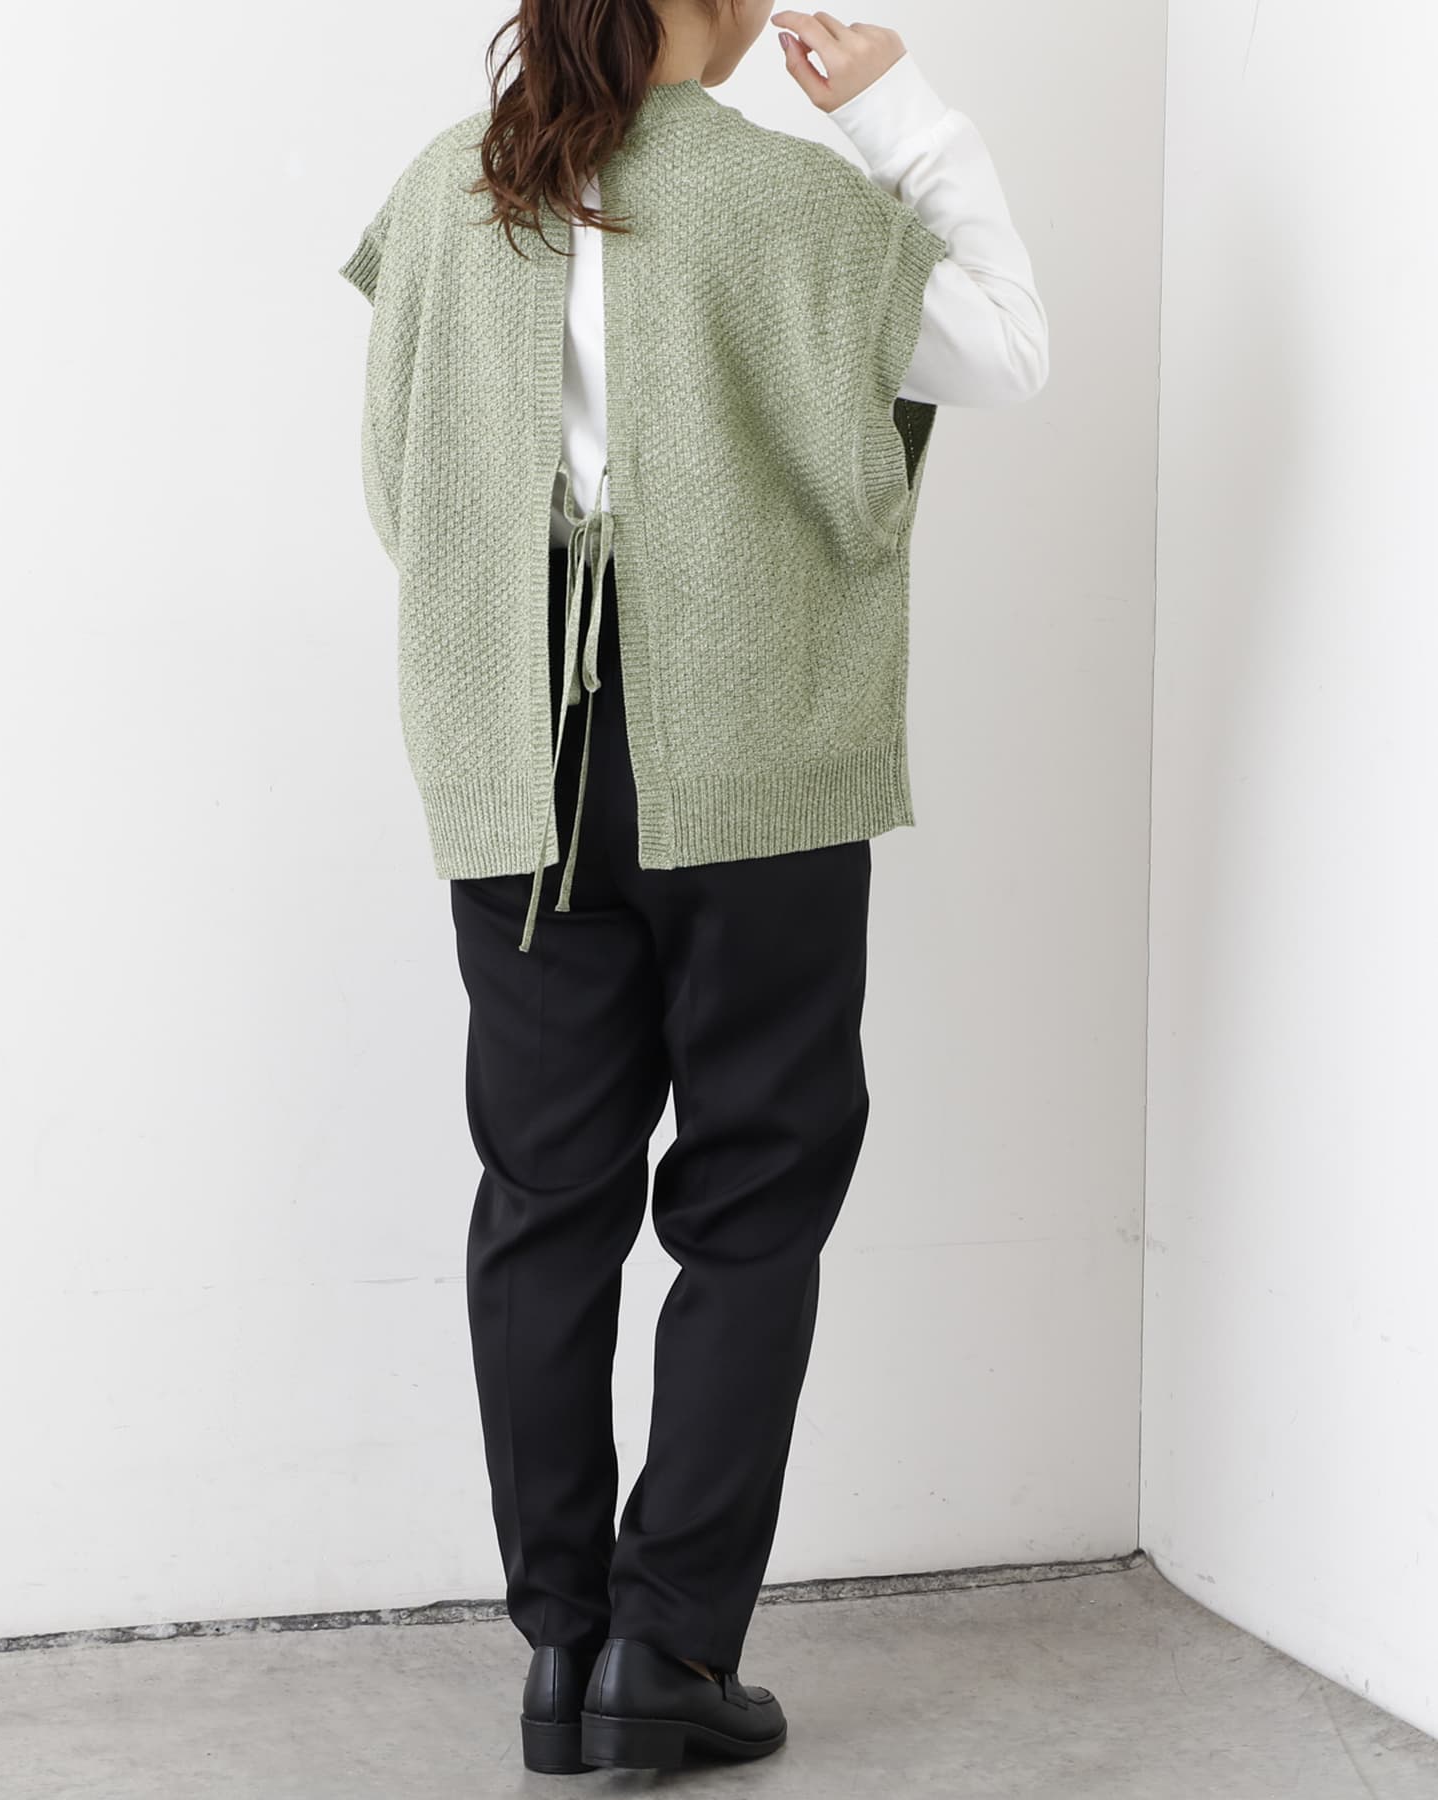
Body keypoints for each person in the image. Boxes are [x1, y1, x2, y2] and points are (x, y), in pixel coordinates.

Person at [338, 0, 1047, 1774]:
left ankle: (560, 1653)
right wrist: (902, 114)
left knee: (544, 1193)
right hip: (746, 758)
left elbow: (395, 483)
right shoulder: (788, 205)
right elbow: (1010, 348)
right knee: (754, 1190)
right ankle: (667, 1649)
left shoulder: (447, 194)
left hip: (519, 755)